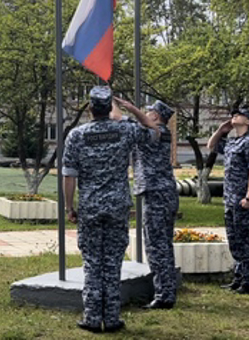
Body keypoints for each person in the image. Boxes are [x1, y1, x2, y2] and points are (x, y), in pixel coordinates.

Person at [63, 87, 160, 333]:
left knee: (93, 263)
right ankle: (113, 318)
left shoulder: (77, 135)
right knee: (113, 262)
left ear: (89, 109)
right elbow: (154, 131)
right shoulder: (125, 129)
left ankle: (93, 318)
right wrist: (132, 108)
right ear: (110, 109)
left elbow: (69, 176)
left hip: (91, 207)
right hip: (117, 206)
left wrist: (69, 207)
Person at [114, 98, 178, 310]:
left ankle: (164, 295)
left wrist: (120, 105)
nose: (146, 113)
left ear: (156, 116)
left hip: (156, 194)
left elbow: (117, 118)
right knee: (163, 245)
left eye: (149, 111)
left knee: (156, 246)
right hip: (163, 193)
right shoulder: (156, 131)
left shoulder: (157, 132)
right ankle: (166, 290)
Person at [206, 108, 249, 294]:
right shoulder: (232, 142)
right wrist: (221, 129)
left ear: (248, 122)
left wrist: (248, 197)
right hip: (229, 199)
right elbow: (211, 146)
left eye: (239, 114)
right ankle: (238, 277)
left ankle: (248, 281)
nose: (234, 116)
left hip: (242, 199)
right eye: (234, 114)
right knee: (234, 240)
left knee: (245, 239)